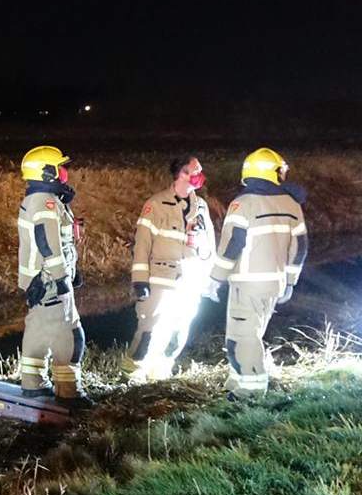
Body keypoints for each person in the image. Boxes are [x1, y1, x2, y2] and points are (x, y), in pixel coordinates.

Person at [203, 147, 308, 399]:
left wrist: (215, 279)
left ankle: (251, 392)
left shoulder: (244, 203)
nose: (283, 175)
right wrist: (290, 281)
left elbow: (232, 244)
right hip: (275, 284)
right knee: (249, 333)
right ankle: (237, 380)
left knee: (243, 336)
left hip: (248, 284)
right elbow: (300, 247)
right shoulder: (291, 204)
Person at [124, 156, 215, 381]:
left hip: (190, 280)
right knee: (149, 328)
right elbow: (142, 244)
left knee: (179, 329)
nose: (200, 175)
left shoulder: (201, 206)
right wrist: (140, 280)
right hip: (160, 277)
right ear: (182, 174)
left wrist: (209, 280)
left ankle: (161, 373)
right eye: (195, 171)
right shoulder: (155, 204)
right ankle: (131, 374)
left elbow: (209, 244)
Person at [15, 145, 89, 405]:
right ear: (47, 172)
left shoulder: (39, 199)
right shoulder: (45, 201)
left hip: (38, 281)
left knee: (38, 328)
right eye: (59, 167)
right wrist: (61, 279)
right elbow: (48, 244)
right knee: (70, 334)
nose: (64, 172)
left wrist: (72, 271)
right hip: (49, 281)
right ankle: (69, 392)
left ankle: (32, 383)